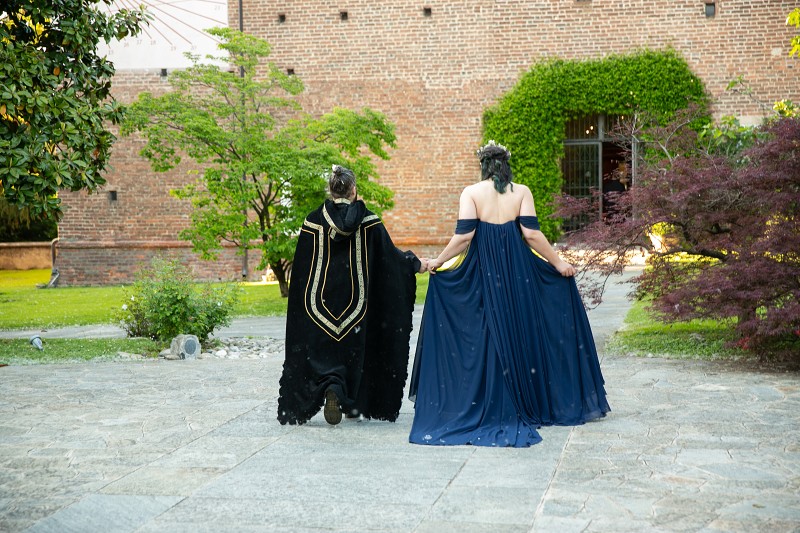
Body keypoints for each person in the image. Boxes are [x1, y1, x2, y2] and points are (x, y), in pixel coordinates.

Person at [408, 141, 610, 447]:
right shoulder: (522, 192)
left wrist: (438, 261)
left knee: (488, 332)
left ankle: (489, 399)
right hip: (518, 272)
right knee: (519, 330)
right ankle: (525, 397)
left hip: (484, 270)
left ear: (483, 165)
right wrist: (558, 263)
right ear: (506, 165)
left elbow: (464, 237)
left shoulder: (471, 193)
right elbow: (531, 234)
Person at [278, 165, 426, 426]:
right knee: (358, 347)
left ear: (331, 190)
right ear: (354, 189)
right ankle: (352, 400)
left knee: (323, 348)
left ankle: (330, 385)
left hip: (320, 304)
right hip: (357, 305)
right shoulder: (369, 221)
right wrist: (415, 264)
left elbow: (302, 269)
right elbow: (389, 260)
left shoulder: (313, 222)